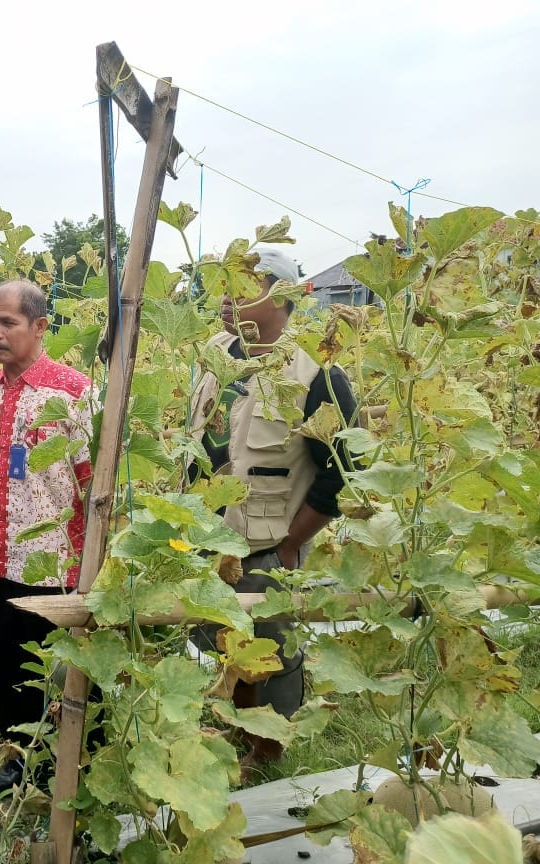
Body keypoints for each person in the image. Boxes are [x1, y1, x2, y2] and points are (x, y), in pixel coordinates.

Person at [188, 246, 356, 772]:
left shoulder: (319, 377)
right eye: (224, 287)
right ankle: (237, 730)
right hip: (206, 536)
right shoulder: (216, 352)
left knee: (273, 652)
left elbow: (338, 477)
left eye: (241, 288)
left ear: (279, 295)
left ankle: (269, 749)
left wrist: (289, 546)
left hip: (264, 543)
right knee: (222, 641)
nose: (226, 299)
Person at [0, 279, 94, 795]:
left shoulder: (73, 393)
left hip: (54, 561)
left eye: (7, 322)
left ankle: (71, 762)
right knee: (5, 661)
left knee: (54, 668)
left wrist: (97, 556)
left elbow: (93, 480)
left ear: (39, 326)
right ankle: (19, 762)